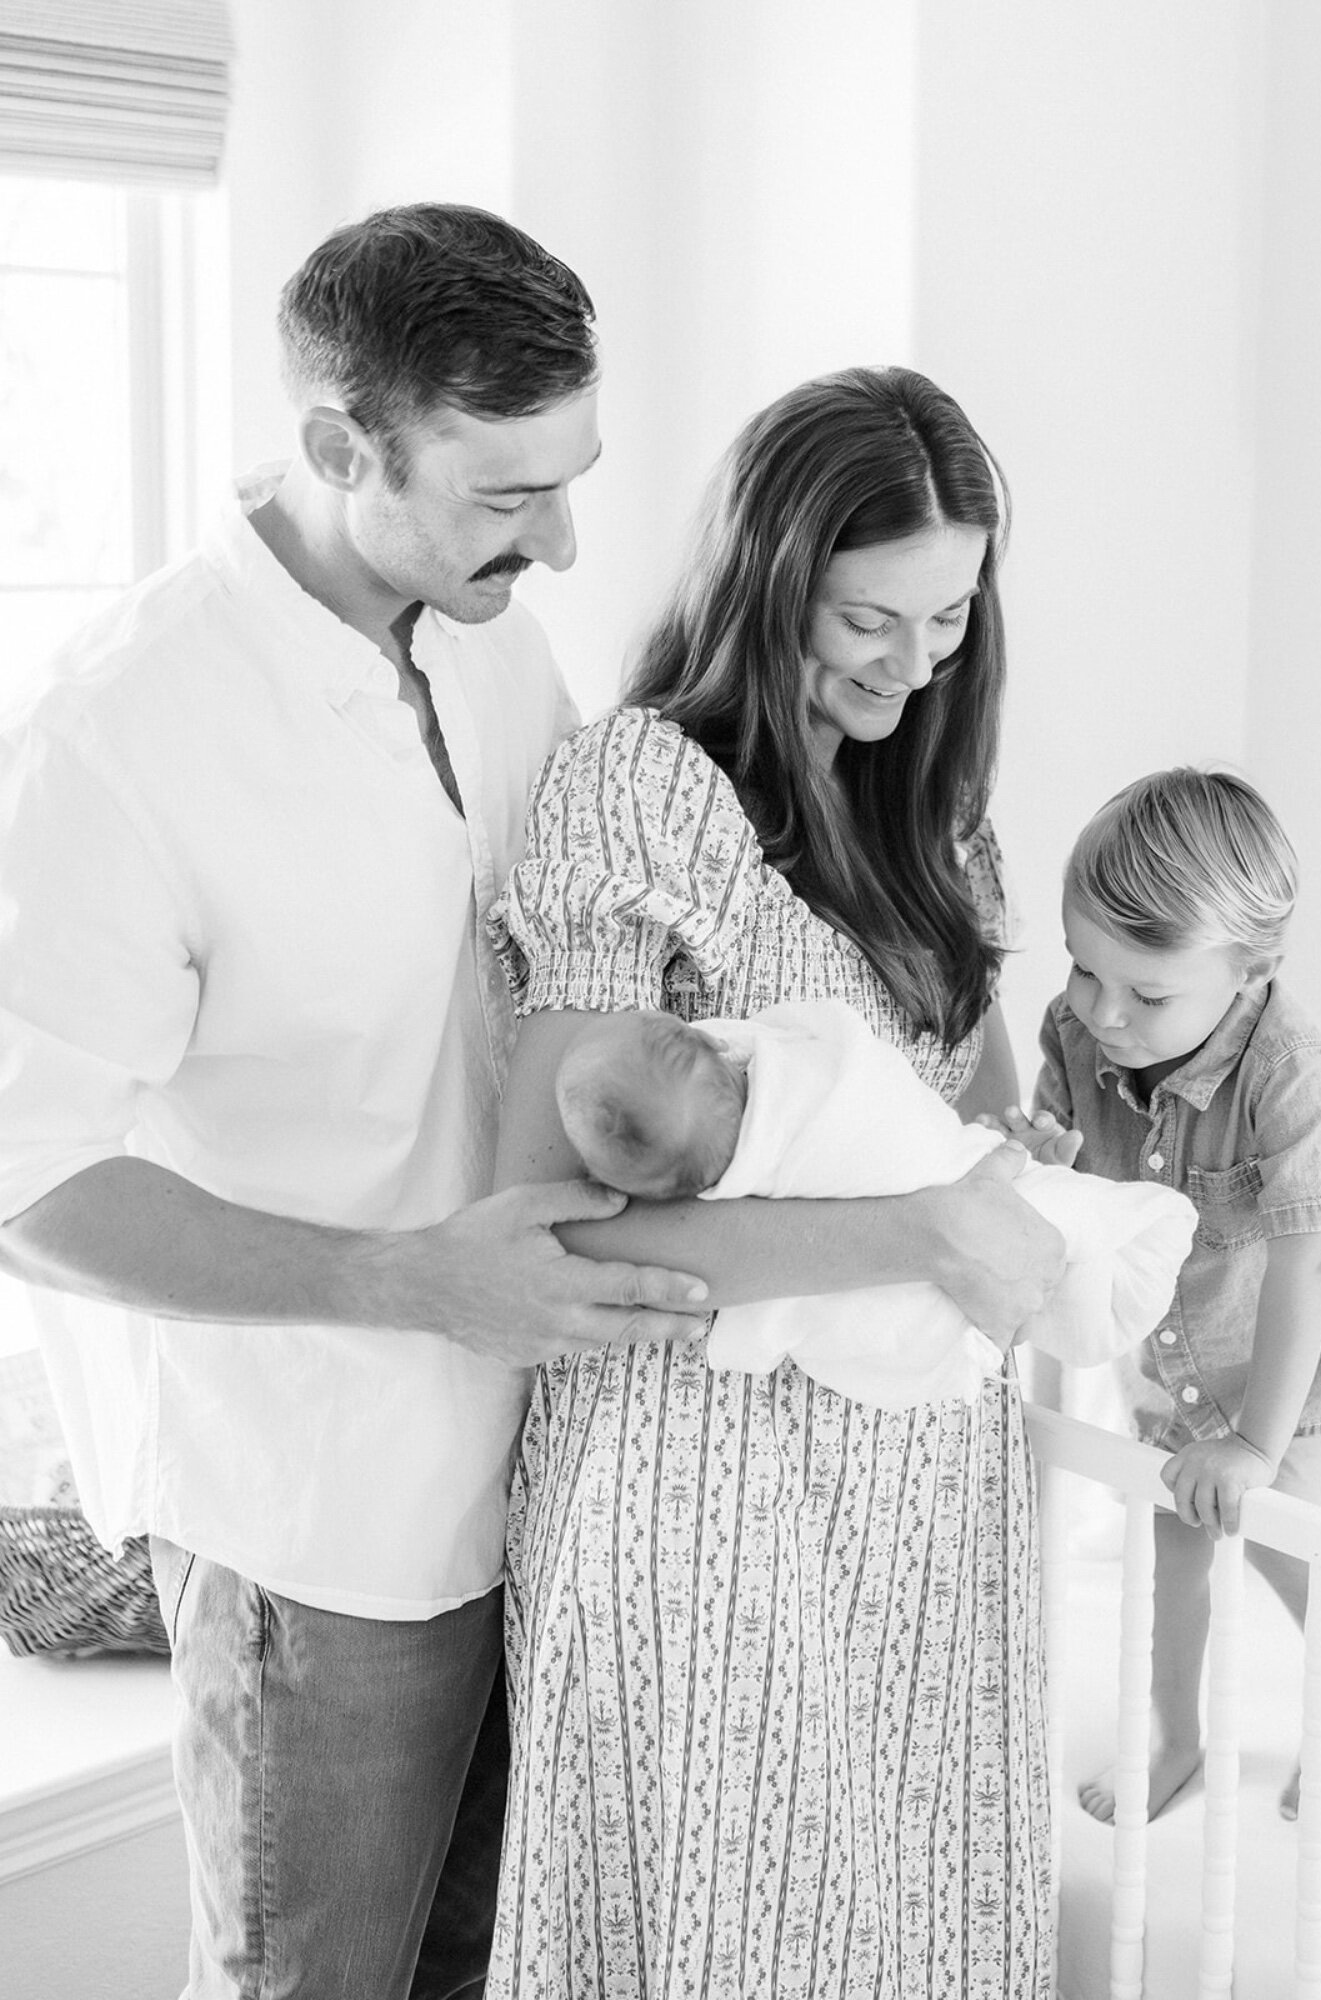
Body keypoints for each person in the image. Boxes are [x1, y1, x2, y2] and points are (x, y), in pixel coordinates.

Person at [0, 204, 725, 2000]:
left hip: (545, 1467)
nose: (558, 542)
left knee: (494, 1964)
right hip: (320, 1522)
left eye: (572, 481)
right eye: (504, 495)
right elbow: (26, 1180)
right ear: (341, 449)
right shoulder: (116, 739)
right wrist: (408, 1283)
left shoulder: (492, 639)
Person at [484, 365, 1065, 1997]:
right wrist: (924, 1230)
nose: (913, 662)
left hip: (924, 1494)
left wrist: (1030, 1186)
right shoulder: (648, 787)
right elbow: (556, 1219)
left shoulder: (938, 832)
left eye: (949, 617)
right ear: (767, 579)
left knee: (909, 1938)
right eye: (867, 618)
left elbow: (985, 1137)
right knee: (735, 1940)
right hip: (702, 1480)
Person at [1026, 768, 1321, 1825]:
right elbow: (1078, 1191)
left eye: (1145, 995)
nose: (1103, 1014)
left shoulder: (1289, 1071)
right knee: (1169, 1549)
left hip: (1303, 1351)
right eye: (1084, 971)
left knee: (1284, 1534)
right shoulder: (1077, 1027)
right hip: (1181, 1341)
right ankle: (1175, 1735)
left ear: (1251, 968)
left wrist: (1256, 1444)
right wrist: (1041, 1162)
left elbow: (1308, 1270)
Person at [556, 997, 1199, 1404]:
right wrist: (943, 1222)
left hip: (974, 1211)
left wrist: (998, 1149)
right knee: (1109, 1240)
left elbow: (918, 1124)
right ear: (719, 1045)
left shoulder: (958, 852)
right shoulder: (801, 1072)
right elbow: (567, 1232)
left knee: (1055, 1247)